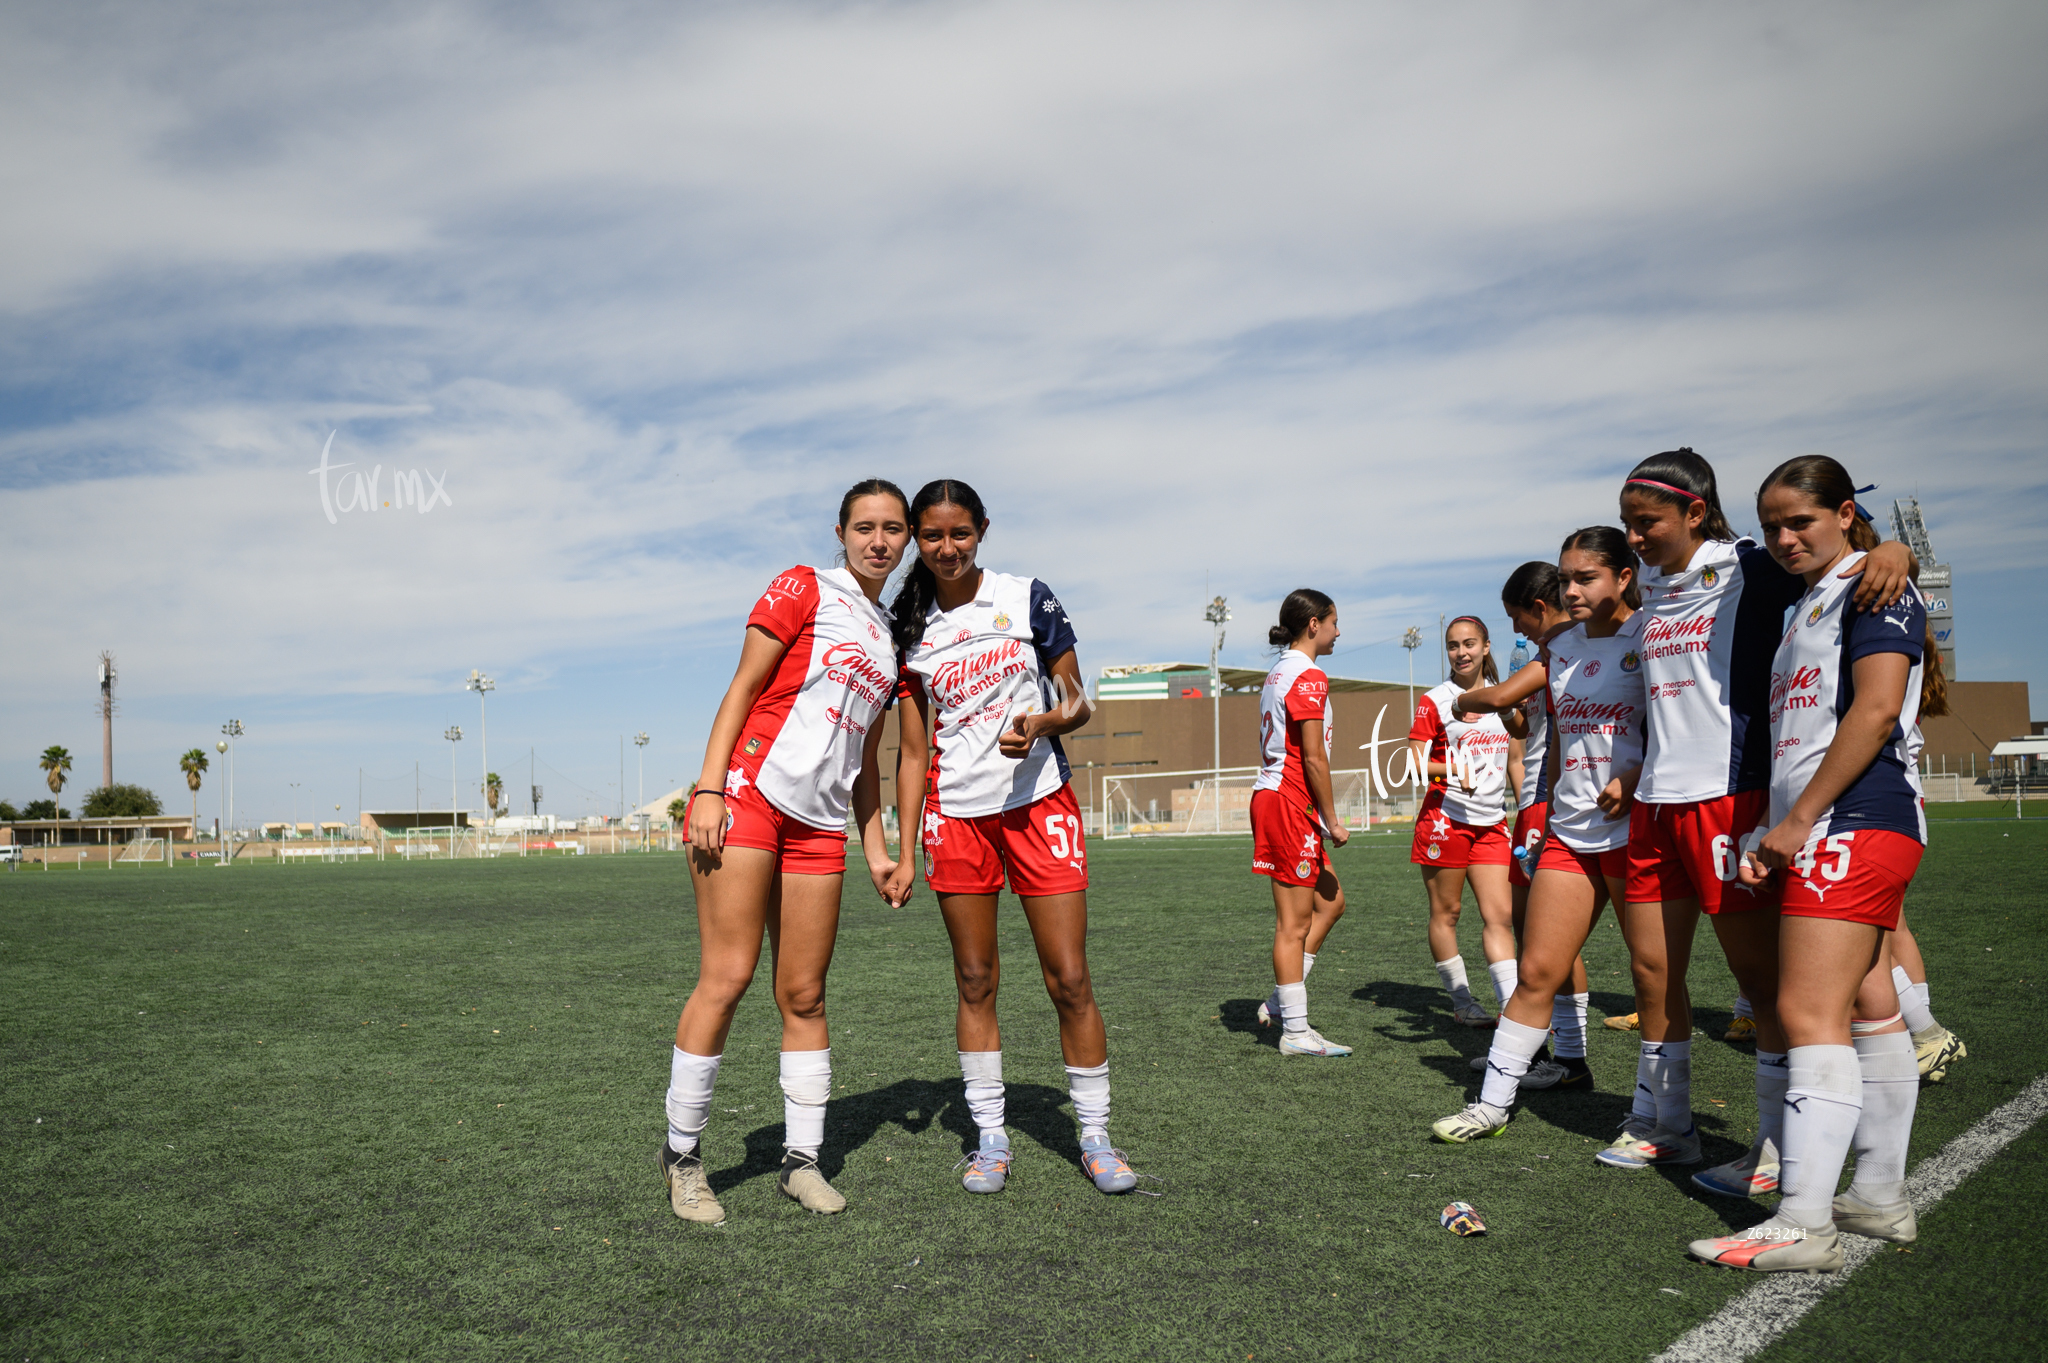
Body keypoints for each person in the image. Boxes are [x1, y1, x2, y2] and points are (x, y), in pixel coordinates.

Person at [1605, 449, 1913, 1183]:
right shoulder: (1645, 582)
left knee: (1760, 977)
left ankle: (1774, 1150)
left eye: (1645, 522)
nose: (1634, 537)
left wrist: (1892, 549)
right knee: (1651, 971)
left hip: (1729, 796)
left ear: (1696, 513)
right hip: (1654, 801)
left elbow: (1844, 548)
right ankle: (1668, 1124)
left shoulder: (1752, 563)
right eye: (1627, 524)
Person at [1689, 456, 1931, 1271]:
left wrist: (1795, 822)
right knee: (1868, 1004)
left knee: (1804, 1009)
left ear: (1844, 516)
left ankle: (1803, 1220)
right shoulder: (1810, 600)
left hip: (1856, 821)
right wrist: (1770, 827)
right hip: (1824, 824)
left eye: (1802, 521)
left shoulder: (1875, 582)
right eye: (1772, 527)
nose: (1786, 538)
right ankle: (1879, 1197)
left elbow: (1877, 709)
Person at [661, 480, 913, 1225]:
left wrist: (878, 848)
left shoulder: (888, 635)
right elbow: (744, 685)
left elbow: (867, 757)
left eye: (892, 528)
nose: (878, 540)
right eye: (864, 526)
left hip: (819, 823)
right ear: (841, 531)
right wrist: (709, 788)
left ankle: (801, 1162)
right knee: (729, 975)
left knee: (803, 993)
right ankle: (683, 1159)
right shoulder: (804, 585)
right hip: (749, 796)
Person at [889, 479, 1139, 1197]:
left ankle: (1094, 1134)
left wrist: (1044, 725)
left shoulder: (1025, 595)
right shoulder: (909, 625)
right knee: (975, 980)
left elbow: (1077, 698)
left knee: (1070, 978)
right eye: (931, 535)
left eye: (959, 533)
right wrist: (905, 850)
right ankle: (990, 1138)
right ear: (915, 536)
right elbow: (911, 752)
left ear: (982, 530)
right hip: (956, 818)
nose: (945, 548)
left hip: (1039, 805)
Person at [1433, 528, 1646, 1140]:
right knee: (1538, 958)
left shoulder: (1643, 636)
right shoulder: (1562, 650)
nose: (1571, 591)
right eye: (1566, 580)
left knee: (1652, 972)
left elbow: (1671, 721)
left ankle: (1657, 1110)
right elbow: (1524, 717)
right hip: (1559, 818)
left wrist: (1469, 700)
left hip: (1623, 823)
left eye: (1583, 579)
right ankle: (1503, 1097)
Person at [1455, 564, 1586, 1088]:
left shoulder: (1565, 647)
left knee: (1543, 942)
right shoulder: (1550, 654)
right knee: (1540, 940)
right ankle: (1558, 1057)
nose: (1517, 632)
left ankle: (1562, 1059)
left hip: (1547, 804)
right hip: (1538, 801)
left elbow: (1496, 699)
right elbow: (1524, 722)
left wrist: (1460, 700)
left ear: (1538, 607)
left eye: (1516, 618)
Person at [1250, 589, 1353, 1056]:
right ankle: (1295, 1032)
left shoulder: (1279, 671)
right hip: (1289, 799)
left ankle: (1279, 1000)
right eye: (1334, 621)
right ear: (1314, 623)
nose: (1338, 630)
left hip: (1287, 800)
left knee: (1330, 902)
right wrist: (1333, 819)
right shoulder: (1308, 674)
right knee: (1293, 923)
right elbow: (1312, 756)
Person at [1409, 617, 1517, 1027]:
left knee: (1499, 916)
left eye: (1470, 643)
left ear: (1487, 646)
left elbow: (1517, 760)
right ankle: (1462, 1002)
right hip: (1444, 820)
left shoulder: (1505, 696)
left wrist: (1525, 811)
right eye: (1453, 646)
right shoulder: (1434, 700)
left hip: (1492, 823)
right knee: (1447, 913)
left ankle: (1511, 1006)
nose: (1462, 652)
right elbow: (1416, 764)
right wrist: (1452, 772)